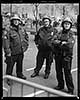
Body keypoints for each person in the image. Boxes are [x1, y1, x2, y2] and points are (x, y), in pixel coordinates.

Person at [52, 17, 75, 94]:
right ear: (63, 24)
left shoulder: (71, 34)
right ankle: (60, 85)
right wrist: (61, 43)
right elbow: (53, 41)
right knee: (58, 71)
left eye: (68, 24)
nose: (66, 25)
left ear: (70, 25)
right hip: (58, 55)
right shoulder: (59, 32)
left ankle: (70, 89)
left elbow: (69, 45)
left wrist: (60, 43)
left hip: (67, 57)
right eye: (65, 24)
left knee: (67, 73)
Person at [3, 14, 29, 81]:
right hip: (12, 52)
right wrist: (8, 53)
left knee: (20, 64)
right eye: (14, 20)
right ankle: (8, 77)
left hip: (20, 51)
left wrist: (25, 46)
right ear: (12, 21)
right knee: (10, 66)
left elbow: (26, 37)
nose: (16, 22)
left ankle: (19, 74)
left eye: (17, 20)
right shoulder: (8, 30)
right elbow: (6, 43)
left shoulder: (21, 29)